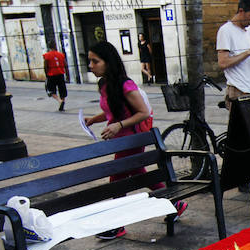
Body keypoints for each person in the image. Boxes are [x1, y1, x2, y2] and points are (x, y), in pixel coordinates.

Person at [83, 41, 186, 239]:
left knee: (116, 180)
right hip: (121, 140)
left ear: (108, 62)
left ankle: (117, 224)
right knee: (140, 174)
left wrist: (119, 125)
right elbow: (114, 110)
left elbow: (143, 112)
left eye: (95, 61)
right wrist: (94, 119)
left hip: (132, 139)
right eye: (90, 61)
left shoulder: (125, 84)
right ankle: (175, 203)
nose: (91, 65)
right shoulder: (105, 84)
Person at [43, 43, 68, 112]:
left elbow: (45, 66)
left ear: (49, 47)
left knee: (51, 90)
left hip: (51, 75)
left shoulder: (47, 55)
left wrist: (46, 75)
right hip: (60, 74)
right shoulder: (61, 55)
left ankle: (59, 101)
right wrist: (67, 74)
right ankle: (62, 104)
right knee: (62, 90)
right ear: (55, 46)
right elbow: (65, 65)